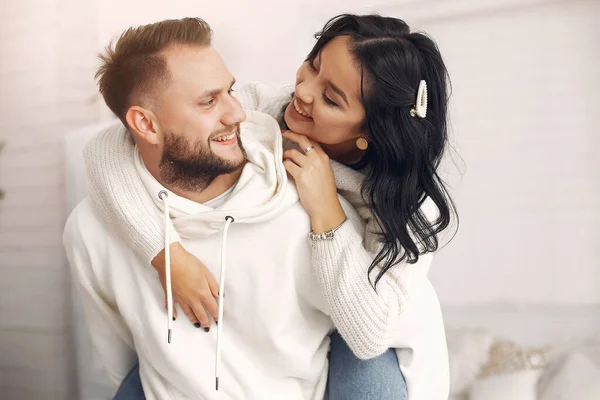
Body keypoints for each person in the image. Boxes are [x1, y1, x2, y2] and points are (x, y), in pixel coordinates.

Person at [83, 13, 456, 400]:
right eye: (313, 66)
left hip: (369, 332)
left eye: (331, 98)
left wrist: (326, 209)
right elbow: (107, 148)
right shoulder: (269, 106)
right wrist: (165, 252)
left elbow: (370, 334)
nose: (305, 92)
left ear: (369, 132)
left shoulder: (411, 208)